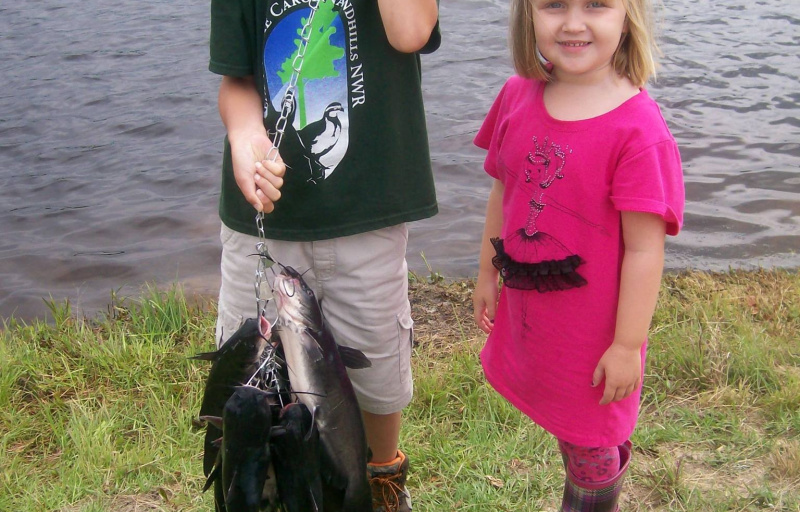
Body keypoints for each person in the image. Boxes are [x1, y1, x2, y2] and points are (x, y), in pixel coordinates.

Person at [208, 0, 441, 510]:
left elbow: (410, 31)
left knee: (376, 376)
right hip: (262, 223)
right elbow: (236, 81)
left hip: (368, 216)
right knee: (247, 381)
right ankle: (251, 489)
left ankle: (381, 485)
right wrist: (245, 134)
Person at [472, 0, 685, 510]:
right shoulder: (517, 94)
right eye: (553, 5)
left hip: (593, 335)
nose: (572, 22)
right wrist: (486, 272)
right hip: (534, 313)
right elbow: (505, 191)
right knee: (561, 421)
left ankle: (592, 499)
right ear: (528, 16)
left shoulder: (638, 130)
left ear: (627, 16)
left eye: (595, 5)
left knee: (591, 437)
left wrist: (628, 345)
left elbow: (643, 249)